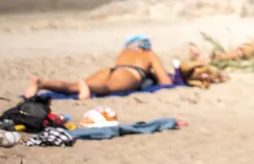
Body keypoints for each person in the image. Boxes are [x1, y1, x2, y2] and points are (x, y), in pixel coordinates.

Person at [25, 36, 172, 100]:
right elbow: (165, 81)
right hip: (131, 74)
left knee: (73, 86)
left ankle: (41, 84)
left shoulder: (124, 52)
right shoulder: (149, 54)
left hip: (111, 69)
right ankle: (89, 88)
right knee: (107, 87)